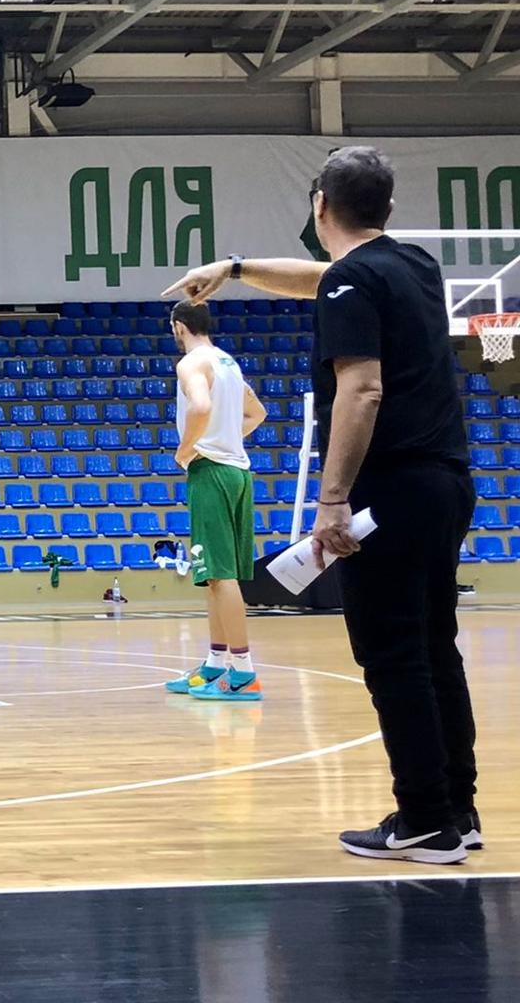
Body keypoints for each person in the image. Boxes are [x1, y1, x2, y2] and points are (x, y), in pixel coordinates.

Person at [166, 145, 478, 864]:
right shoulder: (410, 267)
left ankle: (424, 818)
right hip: (447, 483)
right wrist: (236, 270)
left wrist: (331, 498)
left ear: (318, 207)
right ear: (388, 209)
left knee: (392, 653)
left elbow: (360, 390)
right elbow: (327, 278)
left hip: (390, 489)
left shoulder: (352, 285)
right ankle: (456, 810)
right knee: (435, 648)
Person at [165, 302, 267, 702]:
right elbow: (257, 413)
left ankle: (242, 672)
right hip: (239, 472)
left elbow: (201, 406)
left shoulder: (192, 364)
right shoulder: (228, 362)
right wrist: (229, 438)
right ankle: (216, 662)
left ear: (178, 326)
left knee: (221, 576)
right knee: (213, 575)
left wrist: (186, 448)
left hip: (211, 470)